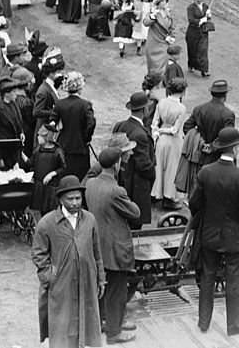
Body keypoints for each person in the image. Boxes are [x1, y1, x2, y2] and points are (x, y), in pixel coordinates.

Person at [188, 127, 239, 336]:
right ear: (235, 149)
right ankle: (234, 324)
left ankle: (203, 322)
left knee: (207, 277)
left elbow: (194, 203)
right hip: (233, 237)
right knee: (233, 279)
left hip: (209, 235)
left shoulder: (206, 173)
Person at [31, 175, 105, 348]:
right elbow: (38, 254)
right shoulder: (47, 224)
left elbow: (97, 252)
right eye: (70, 199)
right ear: (60, 199)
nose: (75, 203)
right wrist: (51, 276)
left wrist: (100, 278)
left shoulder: (90, 220)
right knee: (62, 327)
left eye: (78, 198)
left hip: (87, 281)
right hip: (60, 285)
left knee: (86, 322)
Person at [84, 146, 140, 344]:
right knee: (117, 290)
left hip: (96, 244)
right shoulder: (116, 190)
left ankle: (101, 323)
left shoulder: (90, 184)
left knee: (101, 288)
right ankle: (114, 333)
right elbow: (135, 213)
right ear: (116, 164)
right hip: (114, 247)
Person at [112, 92, 156, 225]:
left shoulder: (120, 125)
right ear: (145, 109)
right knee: (135, 221)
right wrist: (152, 175)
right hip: (137, 184)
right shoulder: (140, 134)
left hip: (121, 177)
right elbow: (144, 165)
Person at [151, 79, 187, 210]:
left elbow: (154, 123)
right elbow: (175, 130)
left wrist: (157, 134)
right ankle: (169, 198)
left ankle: (157, 194)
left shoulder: (161, 103)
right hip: (174, 141)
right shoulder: (181, 108)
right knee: (172, 169)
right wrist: (163, 130)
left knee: (160, 166)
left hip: (161, 141)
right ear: (183, 92)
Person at [52, 72, 96, 179]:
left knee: (64, 175)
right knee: (81, 176)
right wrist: (86, 138)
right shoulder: (85, 105)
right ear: (80, 87)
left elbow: (52, 123)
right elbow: (91, 124)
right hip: (80, 146)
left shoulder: (59, 104)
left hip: (63, 144)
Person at [30, 123, 66, 215]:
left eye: (40, 136)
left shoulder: (57, 151)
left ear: (46, 137)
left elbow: (63, 168)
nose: (37, 137)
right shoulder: (38, 150)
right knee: (41, 211)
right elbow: (31, 164)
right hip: (39, 186)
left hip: (51, 188)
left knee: (51, 211)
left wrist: (52, 174)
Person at [143, 0, 175, 76]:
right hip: (153, 44)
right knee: (154, 67)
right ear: (158, 3)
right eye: (162, 1)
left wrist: (171, 36)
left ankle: (162, 82)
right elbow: (145, 23)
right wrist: (152, 17)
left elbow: (171, 27)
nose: (164, 3)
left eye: (165, 1)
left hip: (164, 43)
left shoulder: (168, 14)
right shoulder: (153, 13)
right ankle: (153, 82)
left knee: (163, 65)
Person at [185, 0, 211, 77]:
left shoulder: (205, 6)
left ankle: (204, 70)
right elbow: (190, 19)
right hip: (193, 32)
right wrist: (201, 20)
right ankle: (191, 65)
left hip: (203, 32)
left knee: (203, 50)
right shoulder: (190, 8)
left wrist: (208, 16)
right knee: (192, 50)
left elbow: (208, 18)